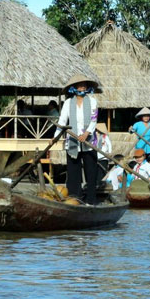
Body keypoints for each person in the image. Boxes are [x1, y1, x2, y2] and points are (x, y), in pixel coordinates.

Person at [54, 73, 101, 204]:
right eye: (79, 85)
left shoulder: (92, 101)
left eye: (84, 85)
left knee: (91, 171)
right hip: (73, 141)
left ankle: (91, 199)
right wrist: (55, 137)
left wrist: (86, 133)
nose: (82, 87)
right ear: (74, 87)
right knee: (73, 171)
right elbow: (62, 121)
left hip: (89, 141)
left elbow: (94, 119)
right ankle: (75, 198)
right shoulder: (68, 103)